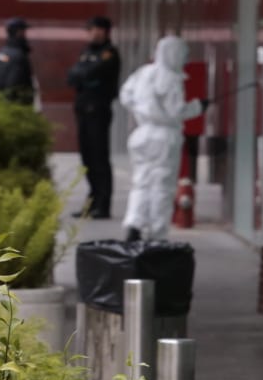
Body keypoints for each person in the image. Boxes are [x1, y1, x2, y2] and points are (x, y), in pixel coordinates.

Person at [118, 35, 200, 242]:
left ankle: (134, 223)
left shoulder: (143, 73)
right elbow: (176, 111)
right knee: (162, 185)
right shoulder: (171, 79)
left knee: (141, 182)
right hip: (164, 136)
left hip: (141, 134)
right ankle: (157, 233)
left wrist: (142, 109)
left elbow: (125, 95)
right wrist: (197, 107)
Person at [67, 15, 122, 219]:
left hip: (98, 110)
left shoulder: (109, 54)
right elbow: (72, 77)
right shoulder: (87, 52)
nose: (94, 33)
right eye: (91, 29)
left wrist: (83, 74)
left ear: (106, 32)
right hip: (82, 109)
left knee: (100, 158)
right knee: (87, 159)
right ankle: (92, 201)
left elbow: (90, 73)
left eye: (98, 29)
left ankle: (103, 204)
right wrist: (83, 74)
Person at [0, 17, 36, 105]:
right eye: (24, 32)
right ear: (19, 32)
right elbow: (14, 84)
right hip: (14, 107)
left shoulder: (1, 53)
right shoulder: (18, 56)